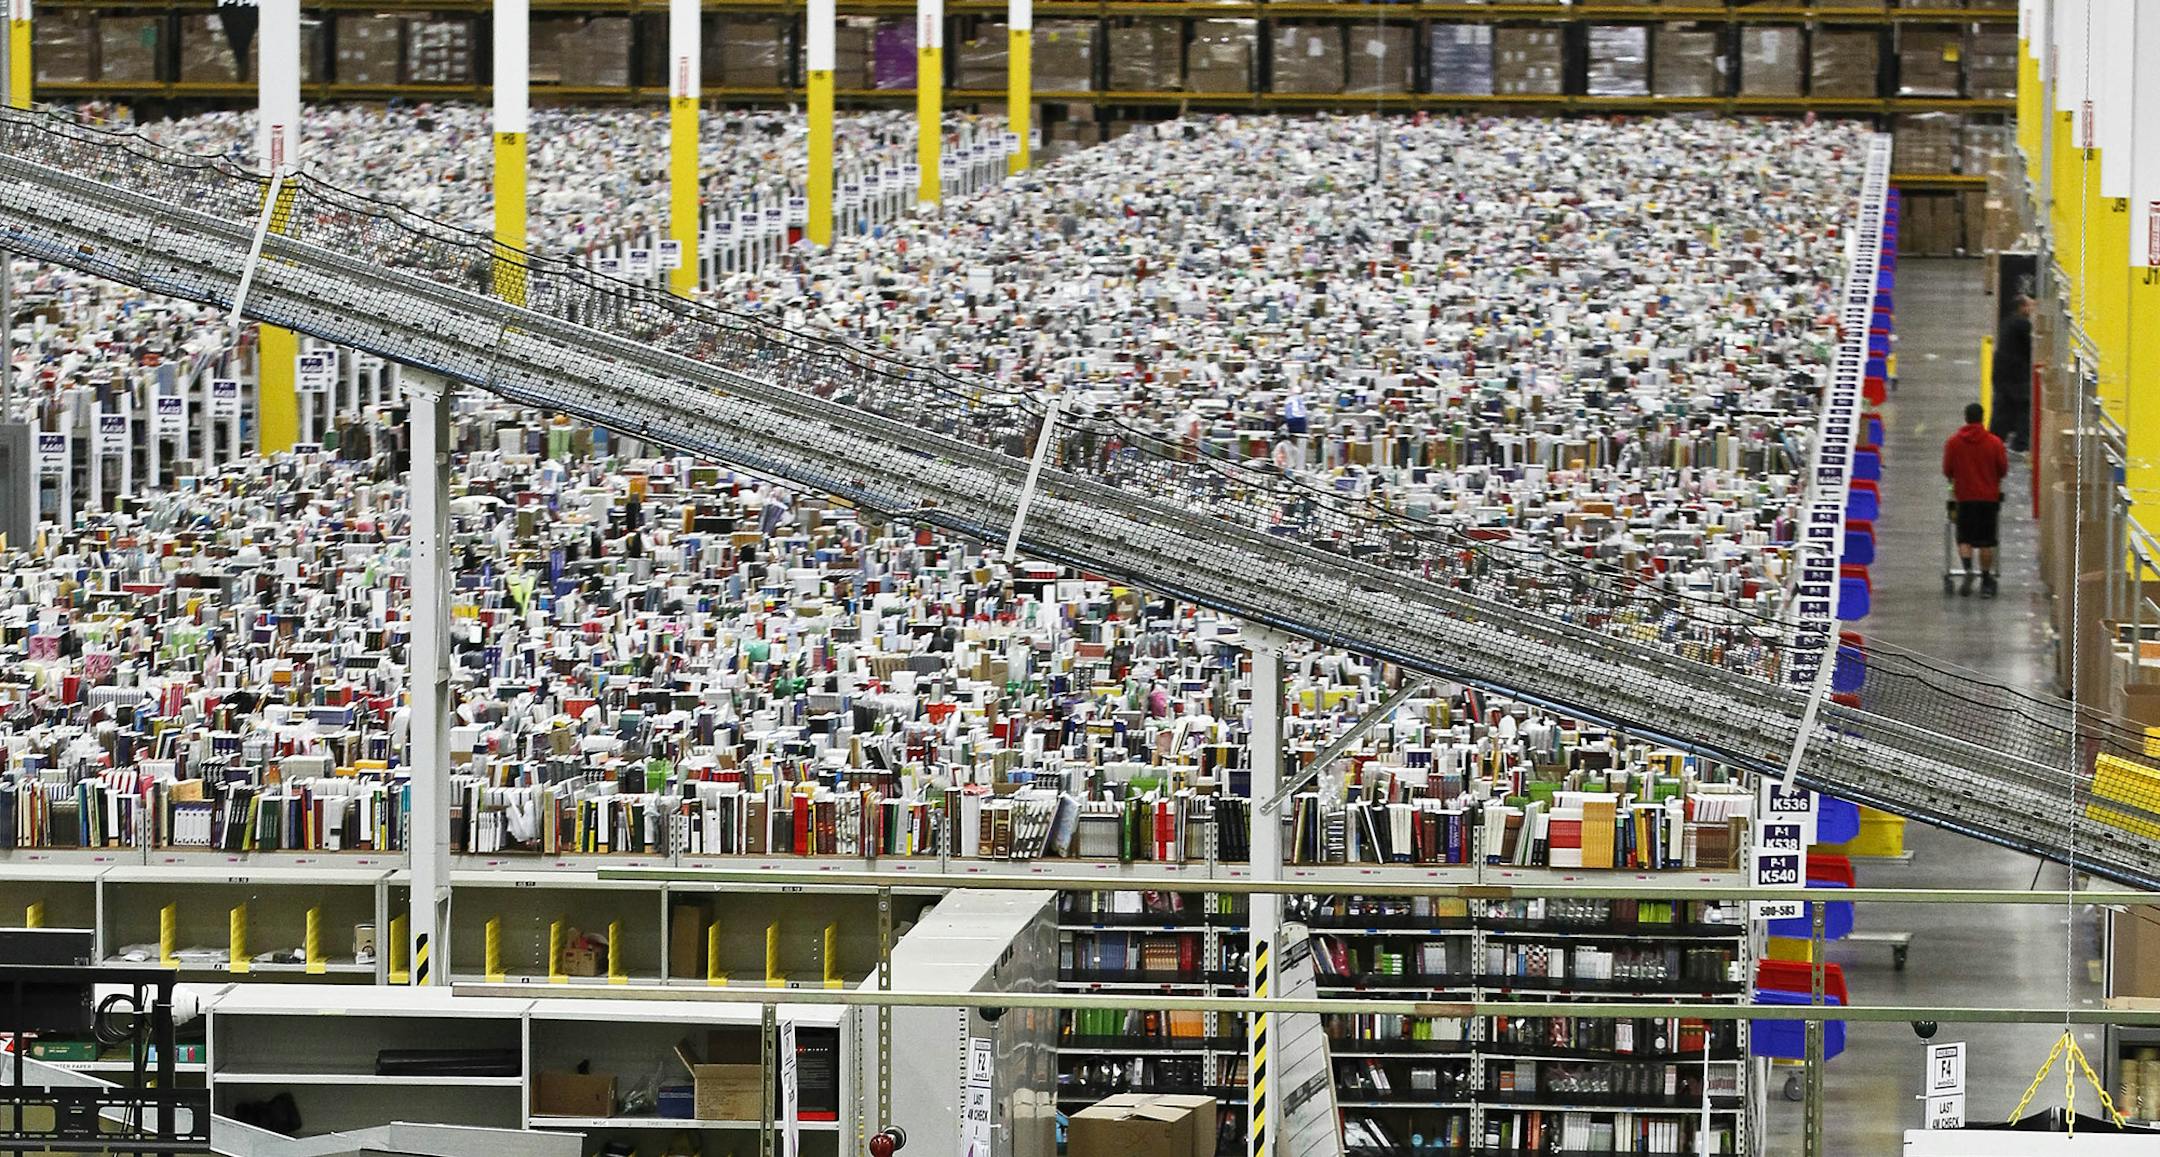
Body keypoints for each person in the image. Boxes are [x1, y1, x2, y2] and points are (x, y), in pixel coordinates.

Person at [1943, 402, 2010, 598]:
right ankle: (1987, 580)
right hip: (1989, 499)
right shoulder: (1994, 443)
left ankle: (1968, 570)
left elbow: (1947, 470)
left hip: (1964, 498)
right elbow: (2003, 469)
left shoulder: (1953, 443)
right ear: (1982, 418)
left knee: (1964, 538)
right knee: (1986, 542)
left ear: (1966, 418)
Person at [1992, 295, 2034, 452]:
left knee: (2002, 408)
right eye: (2030, 305)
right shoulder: (2022, 324)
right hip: (2015, 376)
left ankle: (1995, 439)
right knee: (2024, 407)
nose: (2032, 309)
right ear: (2022, 307)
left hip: (2002, 374)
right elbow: (2032, 347)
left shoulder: (2008, 322)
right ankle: (2021, 443)